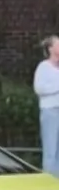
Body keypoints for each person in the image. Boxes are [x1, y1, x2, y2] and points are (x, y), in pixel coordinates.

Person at [35, 37, 59, 177]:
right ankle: (49, 178)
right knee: (51, 148)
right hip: (50, 111)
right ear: (50, 49)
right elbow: (39, 89)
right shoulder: (44, 67)